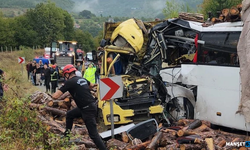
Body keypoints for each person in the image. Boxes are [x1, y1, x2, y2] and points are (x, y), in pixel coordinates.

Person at [52, 64, 107, 150]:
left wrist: (51, 97)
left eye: (65, 75)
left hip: (87, 109)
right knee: (70, 114)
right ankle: (67, 137)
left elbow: (55, 96)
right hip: (88, 107)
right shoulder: (82, 79)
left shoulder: (69, 82)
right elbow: (92, 85)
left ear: (67, 74)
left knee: (93, 134)